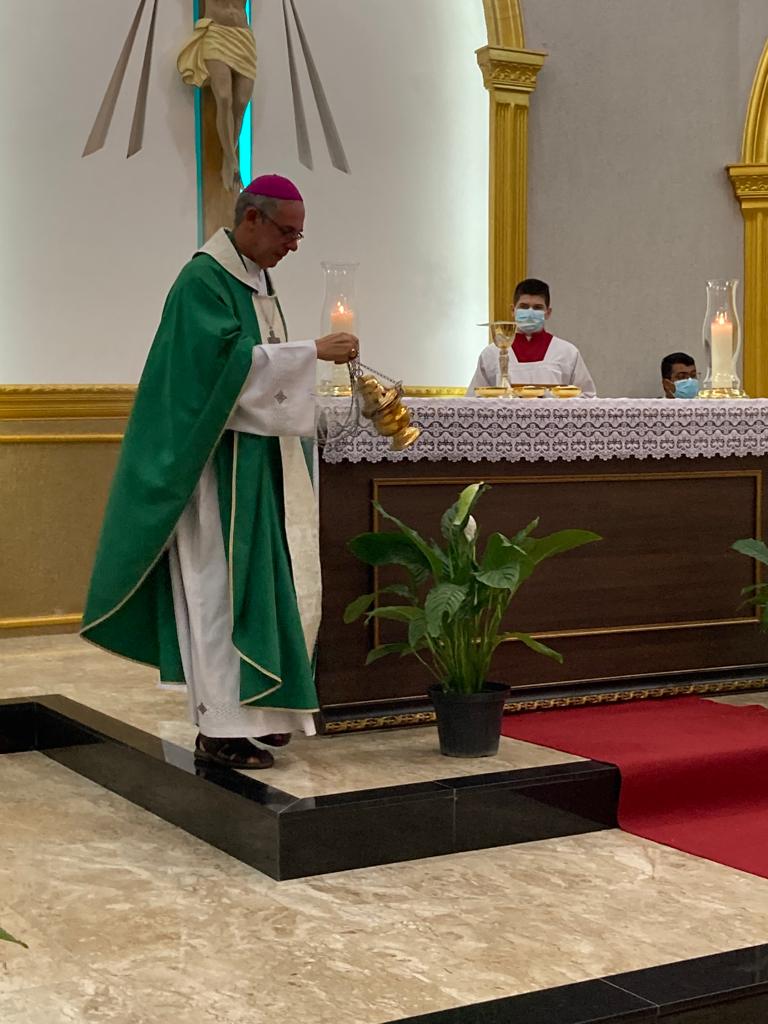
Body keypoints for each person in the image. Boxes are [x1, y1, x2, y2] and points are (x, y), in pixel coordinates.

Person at [81, 174, 358, 770]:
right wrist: (311, 352)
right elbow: (213, 370)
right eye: (287, 232)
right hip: (212, 471)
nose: (292, 245)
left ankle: (263, 713)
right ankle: (220, 730)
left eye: (299, 235)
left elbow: (261, 368)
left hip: (258, 466)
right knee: (217, 595)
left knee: (263, 590)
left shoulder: (258, 280)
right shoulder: (202, 281)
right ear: (251, 218)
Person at [468, 278, 596, 396]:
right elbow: (474, 400)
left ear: (548, 313)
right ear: (513, 310)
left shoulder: (567, 353)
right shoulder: (492, 353)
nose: (530, 312)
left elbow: (587, 397)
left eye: (537, 308)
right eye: (524, 307)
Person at [177, 0, 256, 190]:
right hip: (217, 34)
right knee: (224, 97)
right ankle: (232, 162)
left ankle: (229, 157)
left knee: (242, 102)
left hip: (243, 36)